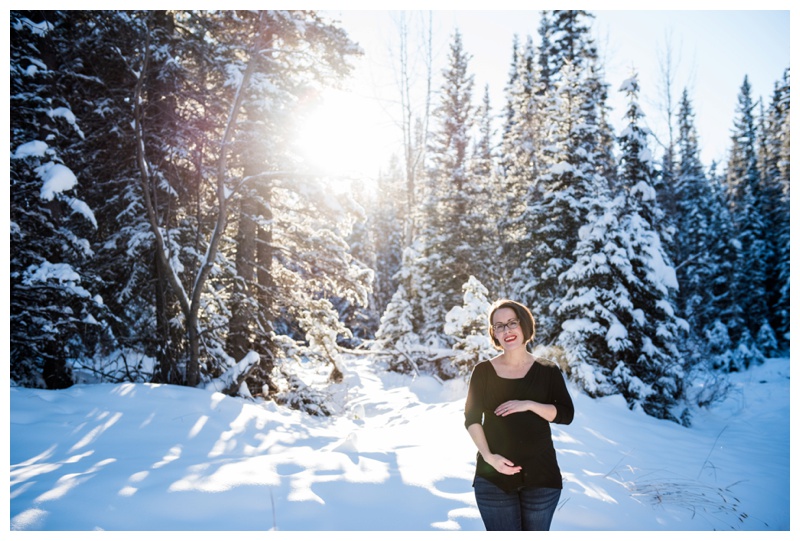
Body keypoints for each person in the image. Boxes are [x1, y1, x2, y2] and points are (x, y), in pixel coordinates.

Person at [464, 299, 574, 531]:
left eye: (512, 323)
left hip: (542, 478)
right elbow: (472, 418)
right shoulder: (483, 372)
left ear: (524, 325)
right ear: (494, 334)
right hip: (493, 477)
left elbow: (565, 414)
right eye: (499, 326)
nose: (506, 330)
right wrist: (489, 457)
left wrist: (529, 404)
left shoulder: (548, 370)